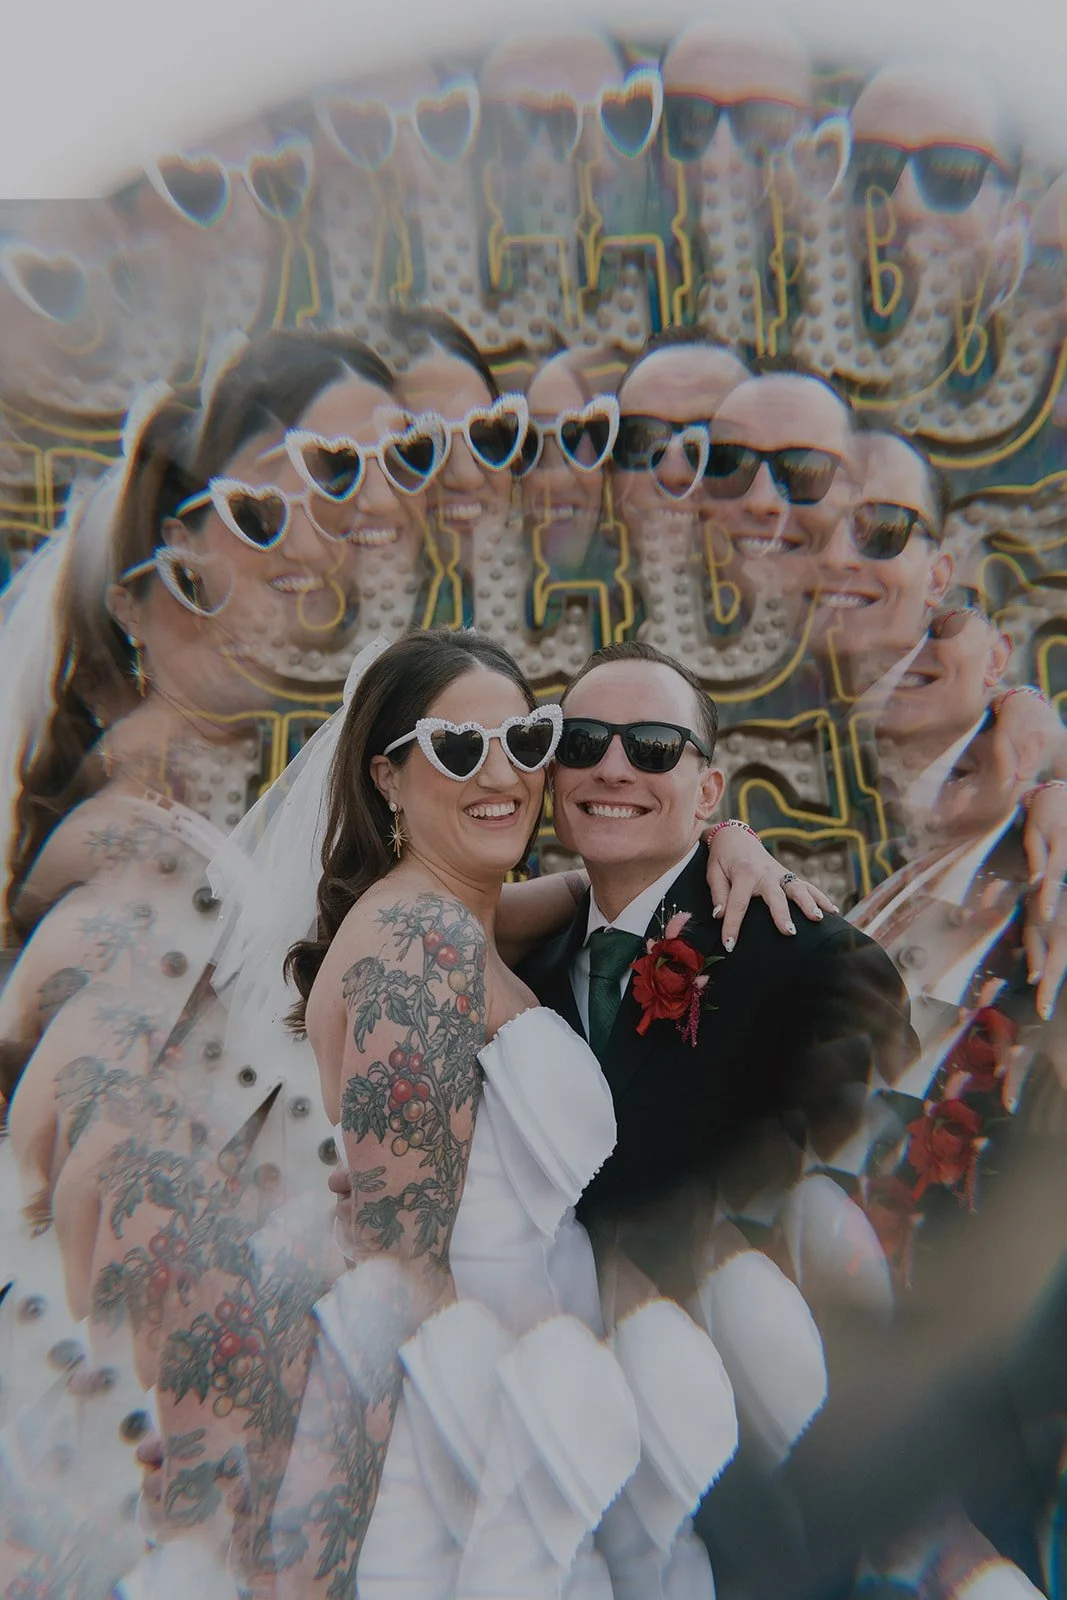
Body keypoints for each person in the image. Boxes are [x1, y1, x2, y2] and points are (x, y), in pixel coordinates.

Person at [139, 625, 833, 1597]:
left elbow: (598, 879)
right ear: (388, 775)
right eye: (457, 750)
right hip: (474, 1423)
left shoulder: (463, 910)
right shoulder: (417, 938)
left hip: (561, 1370)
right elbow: (397, 1268)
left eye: (526, 740)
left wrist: (723, 834)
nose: (499, 772)